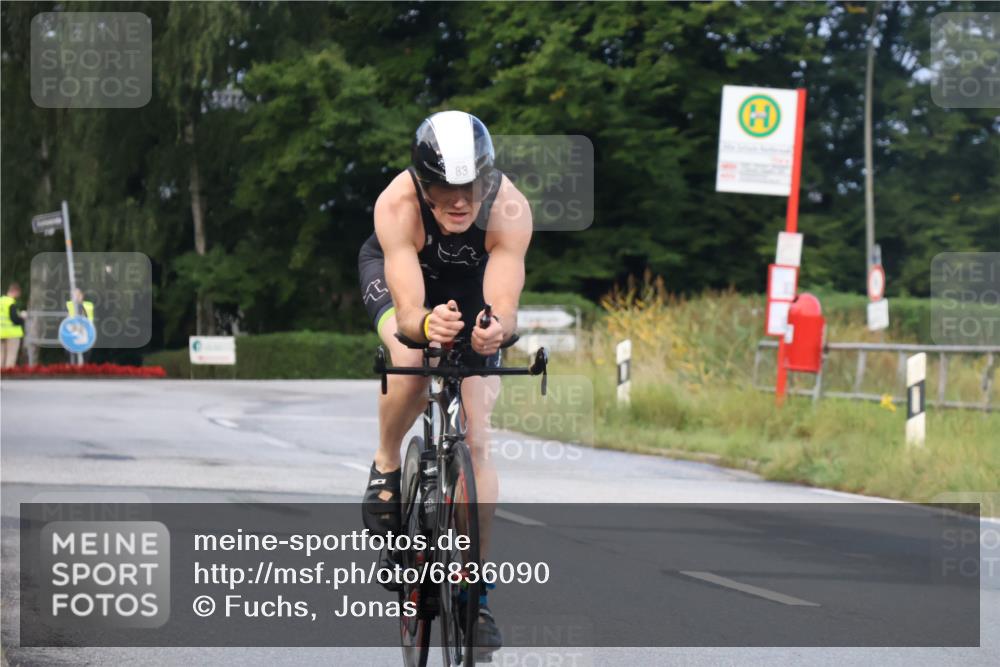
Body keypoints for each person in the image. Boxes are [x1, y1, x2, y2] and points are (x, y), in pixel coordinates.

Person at [357, 110, 532, 654]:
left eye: (471, 188)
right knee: (413, 365)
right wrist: (427, 324)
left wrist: (494, 331)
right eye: (443, 188)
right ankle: (387, 461)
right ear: (421, 182)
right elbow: (410, 309)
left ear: (488, 179)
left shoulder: (509, 208)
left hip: (472, 289)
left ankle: (475, 595)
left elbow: (505, 305)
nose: (459, 202)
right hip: (404, 283)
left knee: (478, 437)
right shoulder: (397, 204)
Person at [0, 282, 26, 369]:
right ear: (16, 291)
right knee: (10, 357)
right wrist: (22, 318)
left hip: (1, 333)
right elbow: (14, 319)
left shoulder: (1, 301)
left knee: (1, 357)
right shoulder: (11, 303)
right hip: (12, 334)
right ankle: (8, 378)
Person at [65, 288, 95, 362]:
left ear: (82, 296)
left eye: (78, 295)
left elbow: (89, 320)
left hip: (84, 334)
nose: (76, 297)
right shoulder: (69, 305)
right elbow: (66, 321)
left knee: (85, 356)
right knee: (71, 356)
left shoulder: (88, 306)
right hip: (72, 335)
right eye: (74, 295)